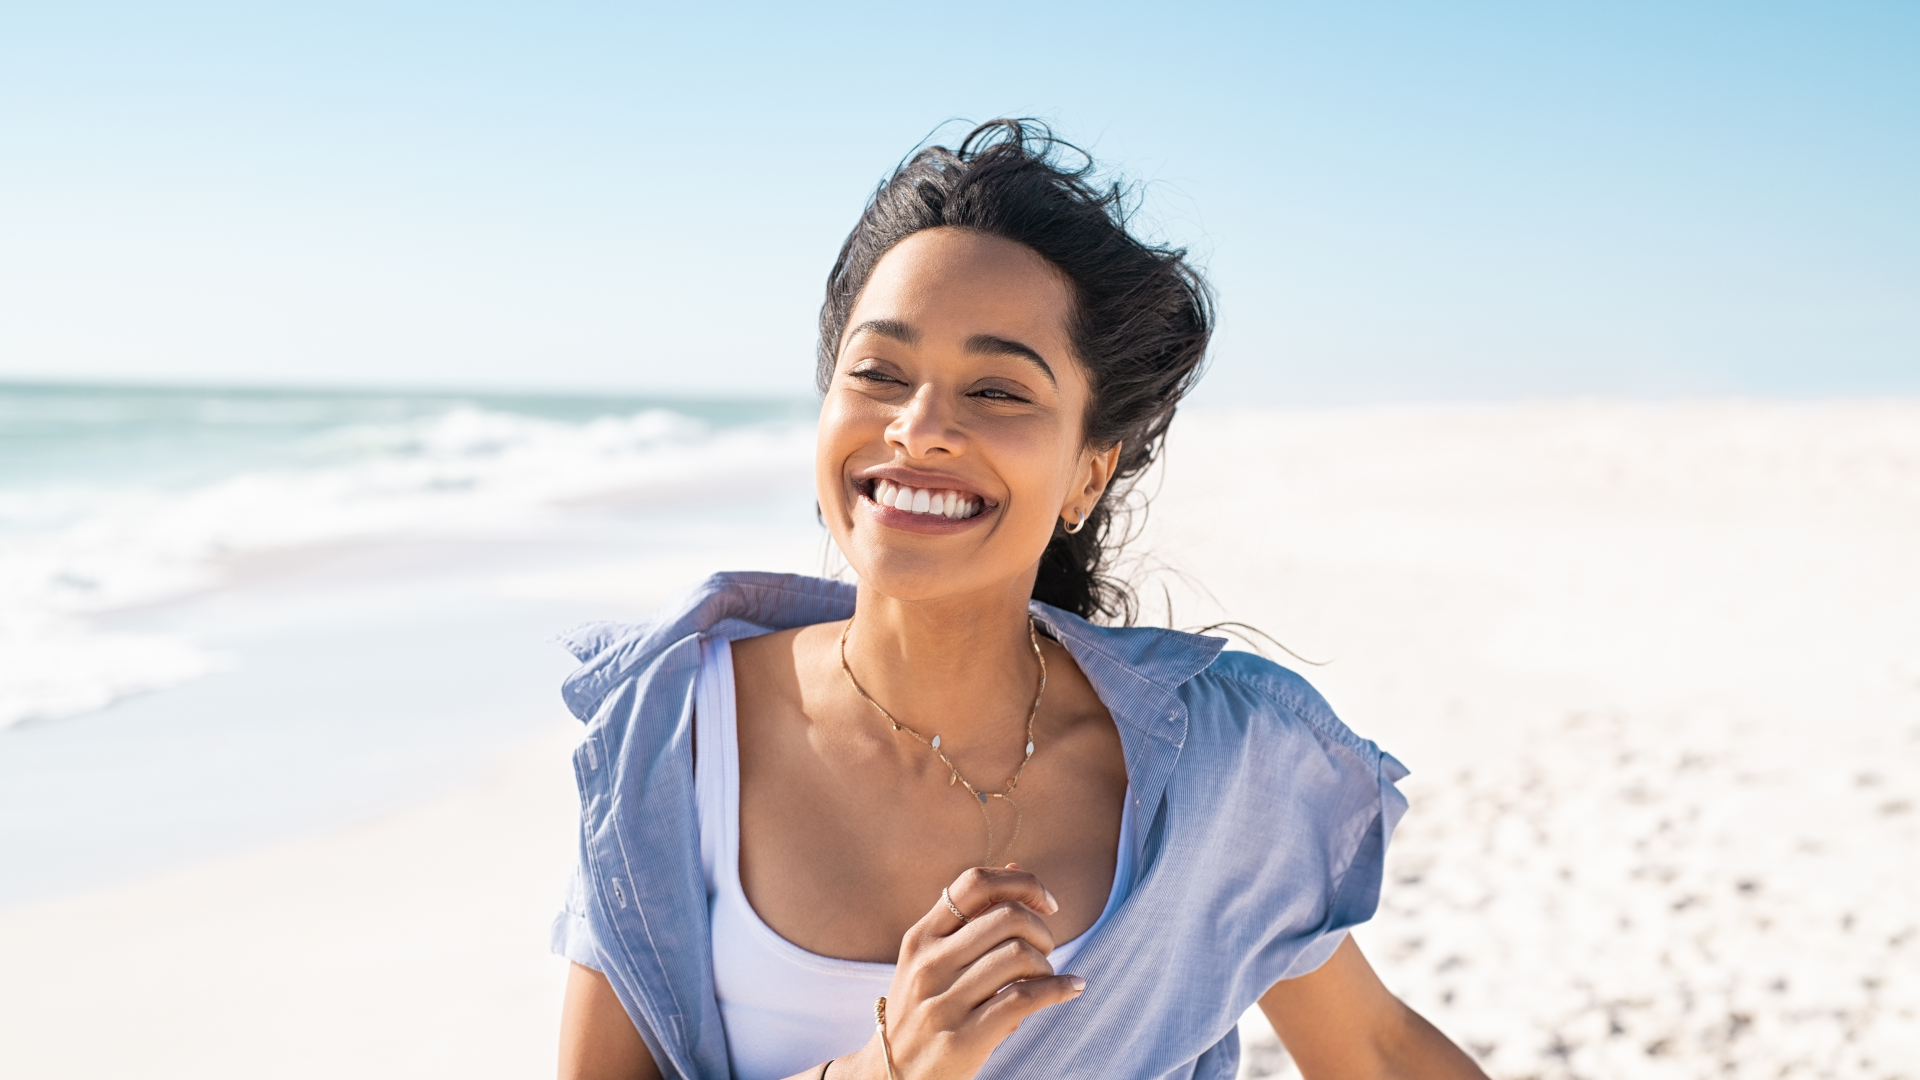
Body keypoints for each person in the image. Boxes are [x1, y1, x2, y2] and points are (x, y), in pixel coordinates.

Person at [551, 120, 1487, 1080]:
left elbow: (1374, 1047)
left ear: (1089, 472)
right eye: (878, 373)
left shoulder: (1222, 767)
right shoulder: (676, 730)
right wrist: (887, 1067)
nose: (919, 429)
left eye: (998, 390)